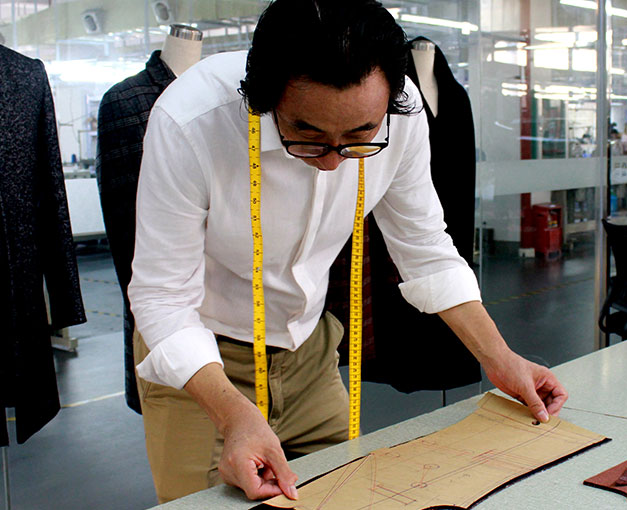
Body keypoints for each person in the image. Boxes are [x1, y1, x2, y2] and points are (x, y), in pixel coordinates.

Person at [128, 0, 567, 504]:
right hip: (200, 362)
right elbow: (162, 297)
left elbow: (425, 248)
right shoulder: (191, 120)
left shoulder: (399, 110)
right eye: (307, 136)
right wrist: (234, 416)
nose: (333, 163)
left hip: (309, 348)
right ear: (265, 100)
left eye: (360, 136)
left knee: (346, 497)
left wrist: (501, 358)